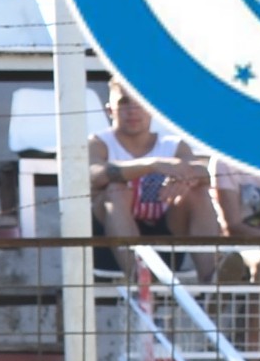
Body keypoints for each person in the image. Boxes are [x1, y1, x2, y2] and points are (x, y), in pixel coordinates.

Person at [88, 86, 227, 269]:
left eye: (140, 102)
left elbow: (204, 173)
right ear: (109, 110)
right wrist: (151, 165)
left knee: (197, 193)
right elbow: (95, 175)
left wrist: (187, 179)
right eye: (124, 103)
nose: (133, 111)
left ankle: (213, 278)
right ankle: (139, 280)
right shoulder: (98, 143)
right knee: (116, 190)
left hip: (165, 238)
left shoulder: (173, 146)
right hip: (110, 244)